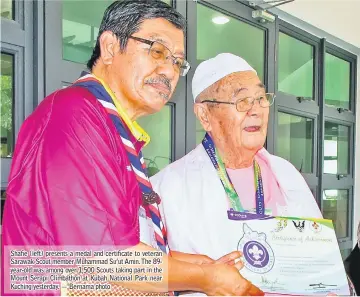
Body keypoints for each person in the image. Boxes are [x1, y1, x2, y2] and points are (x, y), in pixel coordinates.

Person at [1, 3, 263, 297]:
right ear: (111, 47)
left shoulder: (115, 131)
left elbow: (116, 241)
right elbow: (104, 260)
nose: (168, 71)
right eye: (157, 51)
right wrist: (206, 278)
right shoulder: (74, 114)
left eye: (178, 62)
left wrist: (199, 265)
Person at [151, 53, 323, 261]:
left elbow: (320, 255)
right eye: (242, 101)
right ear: (205, 115)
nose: (256, 111)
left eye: (261, 98)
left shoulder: (286, 174)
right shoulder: (167, 186)